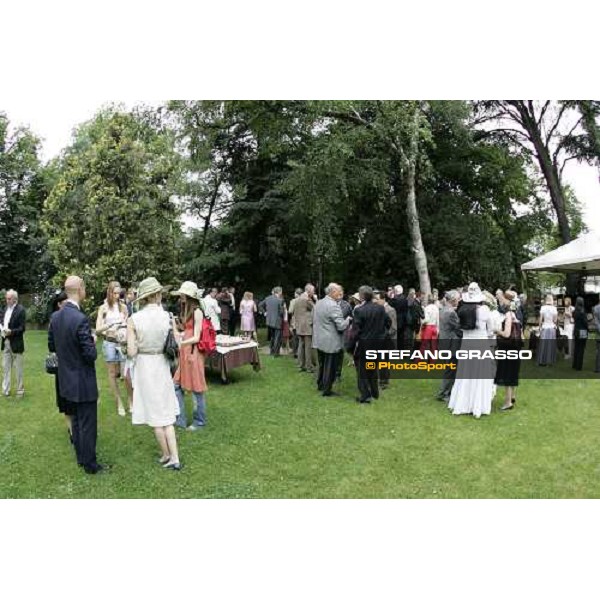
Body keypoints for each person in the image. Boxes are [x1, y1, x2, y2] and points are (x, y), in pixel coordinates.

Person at [49, 276, 106, 474]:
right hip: (82, 379)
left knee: (76, 420)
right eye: (85, 286)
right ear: (80, 288)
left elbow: (53, 346)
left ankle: (81, 458)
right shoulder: (80, 319)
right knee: (87, 423)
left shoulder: (55, 317)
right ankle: (90, 464)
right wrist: (91, 339)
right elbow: (90, 355)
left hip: (66, 379)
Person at [127, 277, 181, 470]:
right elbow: (177, 342)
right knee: (165, 409)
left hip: (145, 365)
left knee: (155, 412)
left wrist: (125, 344)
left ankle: (169, 455)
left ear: (143, 297)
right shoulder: (167, 316)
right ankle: (172, 456)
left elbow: (132, 352)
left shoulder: (133, 319)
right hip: (162, 363)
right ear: (157, 295)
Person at [448, 282, 496, 419]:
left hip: (467, 343)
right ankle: (477, 405)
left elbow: (461, 328)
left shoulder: (462, 310)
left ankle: (463, 403)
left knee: (466, 372)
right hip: (480, 343)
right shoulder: (484, 310)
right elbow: (491, 329)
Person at [171, 281, 208, 431]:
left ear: (189, 295)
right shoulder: (186, 310)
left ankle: (199, 421)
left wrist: (183, 342)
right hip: (186, 352)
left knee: (196, 388)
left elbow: (197, 336)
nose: (180, 296)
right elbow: (185, 331)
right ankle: (181, 419)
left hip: (193, 354)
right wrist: (173, 324)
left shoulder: (197, 311)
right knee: (176, 385)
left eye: (183, 294)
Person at [96, 281, 131, 416]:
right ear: (109, 292)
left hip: (122, 343)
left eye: (119, 293)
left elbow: (128, 324)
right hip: (109, 342)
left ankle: (130, 400)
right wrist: (110, 326)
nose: (117, 296)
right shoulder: (103, 308)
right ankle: (119, 403)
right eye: (114, 293)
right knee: (112, 375)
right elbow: (98, 329)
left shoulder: (124, 307)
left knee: (126, 374)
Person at [353, 286, 390, 403]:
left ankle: (365, 395)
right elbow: (388, 322)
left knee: (362, 371)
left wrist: (352, 343)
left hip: (365, 344)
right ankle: (374, 392)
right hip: (377, 343)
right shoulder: (380, 308)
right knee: (372, 368)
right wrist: (381, 334)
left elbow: (356, 330)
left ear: (362, 296)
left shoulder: (359, 310)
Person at [312, 283, 350, 397]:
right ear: (332, 292)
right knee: (330, 366)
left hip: (320, 339)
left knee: (322, 364)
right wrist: (348, 319)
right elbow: (341, 326)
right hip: (331, 342)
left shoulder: (319, 302)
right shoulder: (333, 305)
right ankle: (327, 390)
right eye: (338, 291)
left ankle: (320, 384)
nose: (340, 293)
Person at [49, 291, 74, 440]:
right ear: (59, 304)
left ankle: (73, 429)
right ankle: (72, 430)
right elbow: (51, 345)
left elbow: (51, 345)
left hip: (64, 363)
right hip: (66, 363)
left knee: (66, 396)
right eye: (65, 302)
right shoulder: (57, 319)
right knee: (65, 398)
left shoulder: (55, 319)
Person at [494, 300, 523, 410]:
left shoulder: (508, 316)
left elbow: (506, 334)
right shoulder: (516, 316)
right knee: (513, 372)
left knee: (507, 373)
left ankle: (507, 402)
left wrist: (497, 331)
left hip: (508, 347)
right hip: (516, 347)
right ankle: (512, 396)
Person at [436, 290, 462, 402]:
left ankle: (447, 391)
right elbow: (458, 328)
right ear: (453, 300)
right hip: (452, 344)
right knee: (450, 370)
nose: (459, 301)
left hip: (445, 342)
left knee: (449, 369)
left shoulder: (442, 310)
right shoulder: (451, 313)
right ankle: (444, 393)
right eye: (458, 299)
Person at [1, 289, 26, 398]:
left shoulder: (21, 310)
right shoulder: (5, 309)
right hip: (5, 340)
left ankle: (20, 390)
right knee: (5, 368)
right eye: (6, 298)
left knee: (18, 368)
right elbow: (3, 322)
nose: (7, 300)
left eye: (9, 298)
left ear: (15, 299)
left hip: (16, 342)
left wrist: (12, 332)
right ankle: (5, 390)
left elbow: (22, 328)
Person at [374, 291, 397, 390]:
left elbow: (393, 327)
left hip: (386, 340)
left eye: (377, 299)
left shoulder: (390, 310)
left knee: (384, 362)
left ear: (383, 299)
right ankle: (380, 380)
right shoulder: (377, 309)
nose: (375, 301)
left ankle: (384, 382)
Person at [294, 284, 316, 372]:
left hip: (299, 325)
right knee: (308, 347)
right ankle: (309, 367)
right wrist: (316, 299)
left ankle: (300, 365)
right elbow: (316, 308)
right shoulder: (307, 299)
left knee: (301, 345)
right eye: (313, 291)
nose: (314, 292)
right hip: (307, 326)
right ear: (309, 291)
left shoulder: (297, 299)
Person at [259, 287, 285, 356]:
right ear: (279, 292)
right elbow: (281, 312)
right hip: (277, 321)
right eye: (281, 291)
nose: (281, 292)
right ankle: (276, 353)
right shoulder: (280, 300)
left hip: (269, 321)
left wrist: (265, 312)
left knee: (272, 337)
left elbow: (260, 305)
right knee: (277, 337)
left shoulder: (268, 298)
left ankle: (271, 352)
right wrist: (284, 309)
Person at [537, 294, 558, 366]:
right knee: (550, 344)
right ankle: (550, 361)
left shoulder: (543, 307)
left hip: (545, 327)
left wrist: (539, 327)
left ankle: (542, 361)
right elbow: (555, 320)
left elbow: (540, 319)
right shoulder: (554, 308)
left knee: (543, 344)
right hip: (551, 327)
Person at [572, 296, 588, 371]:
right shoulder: (582, 311)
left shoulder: (575, 311)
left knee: (576, 348)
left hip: (576, 330)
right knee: (581, 349)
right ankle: (579, 366)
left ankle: (574, 364)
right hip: (582, 331)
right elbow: (585, 323)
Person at [288, 288, 303, 358]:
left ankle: (295, 352)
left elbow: (290, 311)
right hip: (303, 321)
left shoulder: (293, 301)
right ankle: (301, 352)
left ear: (297, 294)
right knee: (302, 337)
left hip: (295, 321)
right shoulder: (305, 300)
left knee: (295, 337)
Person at [594, 297, 600, 374]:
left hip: (598, 332)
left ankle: (597, 368)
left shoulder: (595, 308)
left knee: (598, 350)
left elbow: (596, 321)